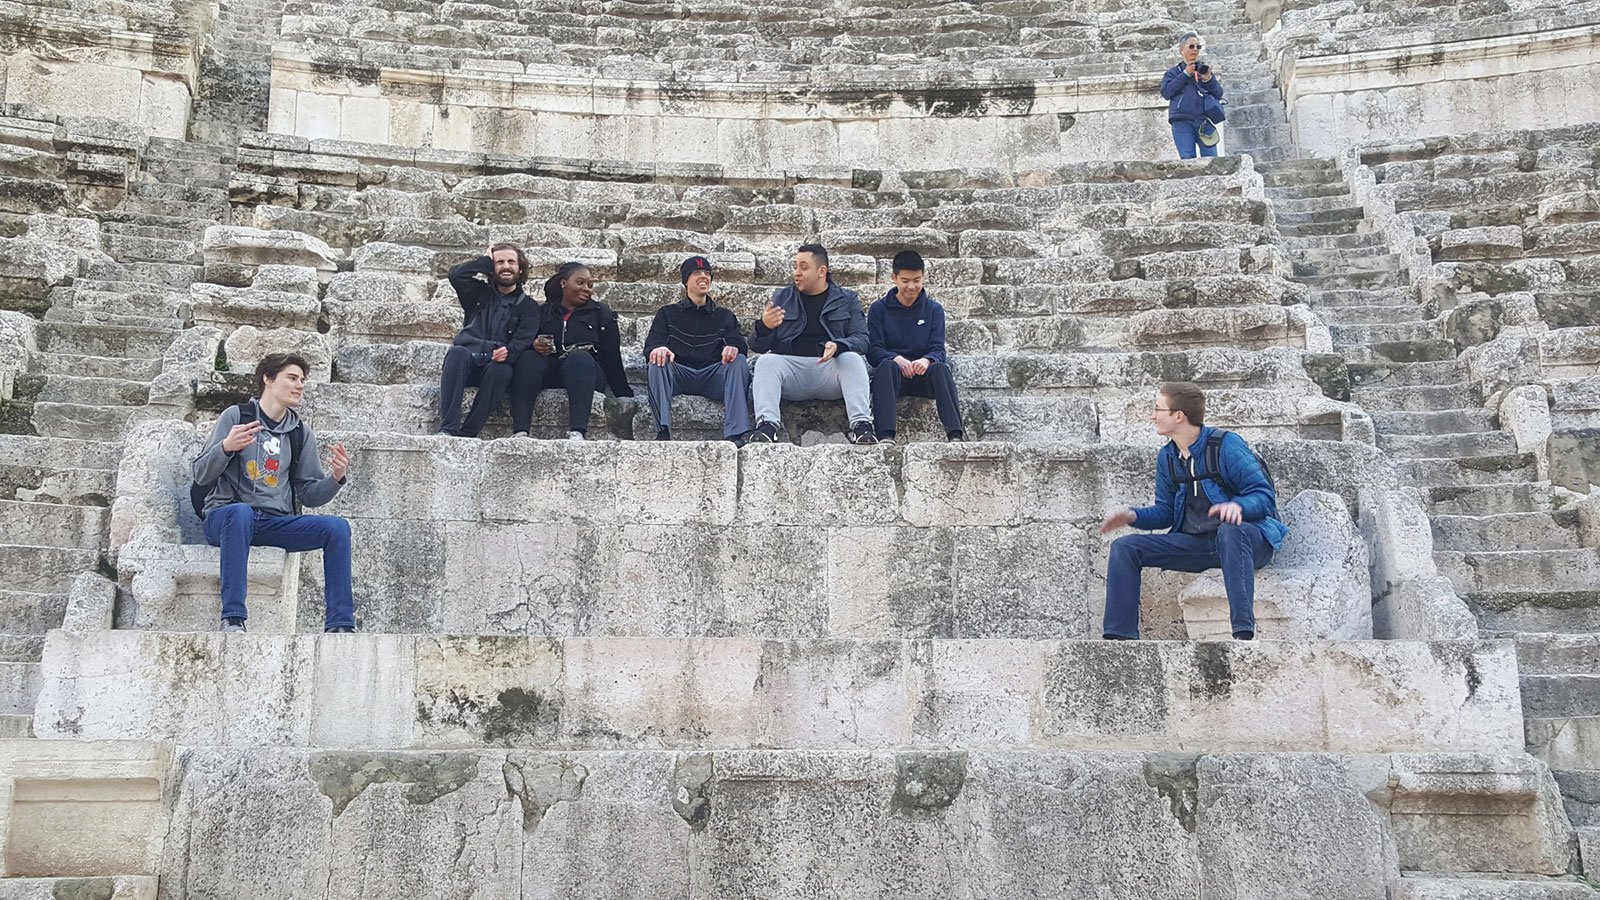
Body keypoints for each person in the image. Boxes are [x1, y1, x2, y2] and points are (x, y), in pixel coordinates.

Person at [1099, 382, 1286, 640]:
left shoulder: (1225, 445)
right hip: (1199, 545)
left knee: (1230, 531)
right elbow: (1165, 512)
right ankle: (1119, 638)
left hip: (1247, 542)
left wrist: (1237, 506)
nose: (1152, 416)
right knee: (1125, 548)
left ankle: (1243, 634)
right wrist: (1133, 516)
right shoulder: (1168, 457)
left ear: (1179, 415)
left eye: (1157, 409)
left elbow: (1263, 496)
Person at [191, 352, 354, 634]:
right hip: (226, 519)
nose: (299, 385)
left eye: (302, 380)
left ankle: (340, 624)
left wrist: (335, 478)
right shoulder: (236, 416)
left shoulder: (300, 433)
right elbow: (201, 474)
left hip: (273, 522)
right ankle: (233, 617)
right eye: (292, 378)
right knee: (240, 513)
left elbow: (309, 494)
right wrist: (227, 447)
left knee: (337, 528)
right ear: (268, 379)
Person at [748, 243, 876, 445]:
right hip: (792, 371)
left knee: (852, 359)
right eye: (795, 266)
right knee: (765, 362)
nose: (796, 272)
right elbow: (757, 346)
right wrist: (764, 326)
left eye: (803, 267)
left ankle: (862, 425)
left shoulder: (846, 299)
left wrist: (839, 345)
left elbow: (863, 339)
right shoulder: (782, 298)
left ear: (821, 271)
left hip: (829, 370)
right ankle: (767, 426)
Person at [509, 261, 633, 439]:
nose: (587, 289)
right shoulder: (543, 311)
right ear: (563, 284)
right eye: (580, 283)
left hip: (586, 373)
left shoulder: (601, 312)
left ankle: (577, 431)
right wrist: (534, 344)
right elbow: (521, 341)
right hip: (549, 370)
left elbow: (611, 355)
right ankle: (520, 431)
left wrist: (623, 393)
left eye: (590, 285)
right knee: (529, 358)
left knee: (580, 358)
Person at [643, 255, 753, 442]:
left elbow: (740, 344)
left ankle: (736, 432)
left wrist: (733, 348)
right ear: (686, 280)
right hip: (679, 376)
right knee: (657, 361)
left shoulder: (724, 316)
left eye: (707, 273)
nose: (703, 276)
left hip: (712, 377)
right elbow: (651, 346)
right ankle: (663, 430)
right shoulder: (667, 313)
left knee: (739, 360)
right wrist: (659, 349)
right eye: (697, 273)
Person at [439, 243, 538, 437]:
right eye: (499, 262)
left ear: (520, 268)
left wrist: (510, 352)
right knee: (456, 353)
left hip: (495, 364)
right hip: (466, 359)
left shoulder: (529, 306)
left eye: (511, 261)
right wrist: (484, 261)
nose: (506, 266)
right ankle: (447, 429)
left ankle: (468, 433)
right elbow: (456, 276)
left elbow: (524, 339)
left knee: (502, 370)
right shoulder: (476, 293)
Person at [867, 250, 963, 444]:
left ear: (923, 277)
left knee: (941, 369)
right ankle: (885, 435)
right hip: (893, 377)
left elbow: (938, 349)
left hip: (923, 375)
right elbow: (874, 350)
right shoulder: (879, 309)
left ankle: (955, 434)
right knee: (886, 367)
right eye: (905, 280)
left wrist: (926, 360)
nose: (911, 286)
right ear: (894, 278)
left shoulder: (934, 310)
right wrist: (896, 359)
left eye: (917, 280)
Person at [1162, 31, 1224, 159]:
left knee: (1212, 159)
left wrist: (1208, 78)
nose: (1195, 49)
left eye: (1198, 47)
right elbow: (1167, 92)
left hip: (1204, 121)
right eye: (1191, 46)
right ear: (1182, 50)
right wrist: (1185, 73)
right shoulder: (1173, 73)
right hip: (1182, 122)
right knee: (1188, 159)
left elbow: (1218, 93)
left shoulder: (1203, 69)